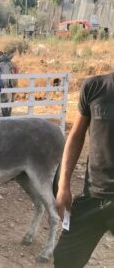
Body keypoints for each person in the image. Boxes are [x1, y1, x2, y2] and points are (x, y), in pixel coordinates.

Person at [53, 72, 114, 268]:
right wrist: (63, 186)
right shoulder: (95, 86)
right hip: (93, 196)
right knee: (65, 259)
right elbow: (76, 136)